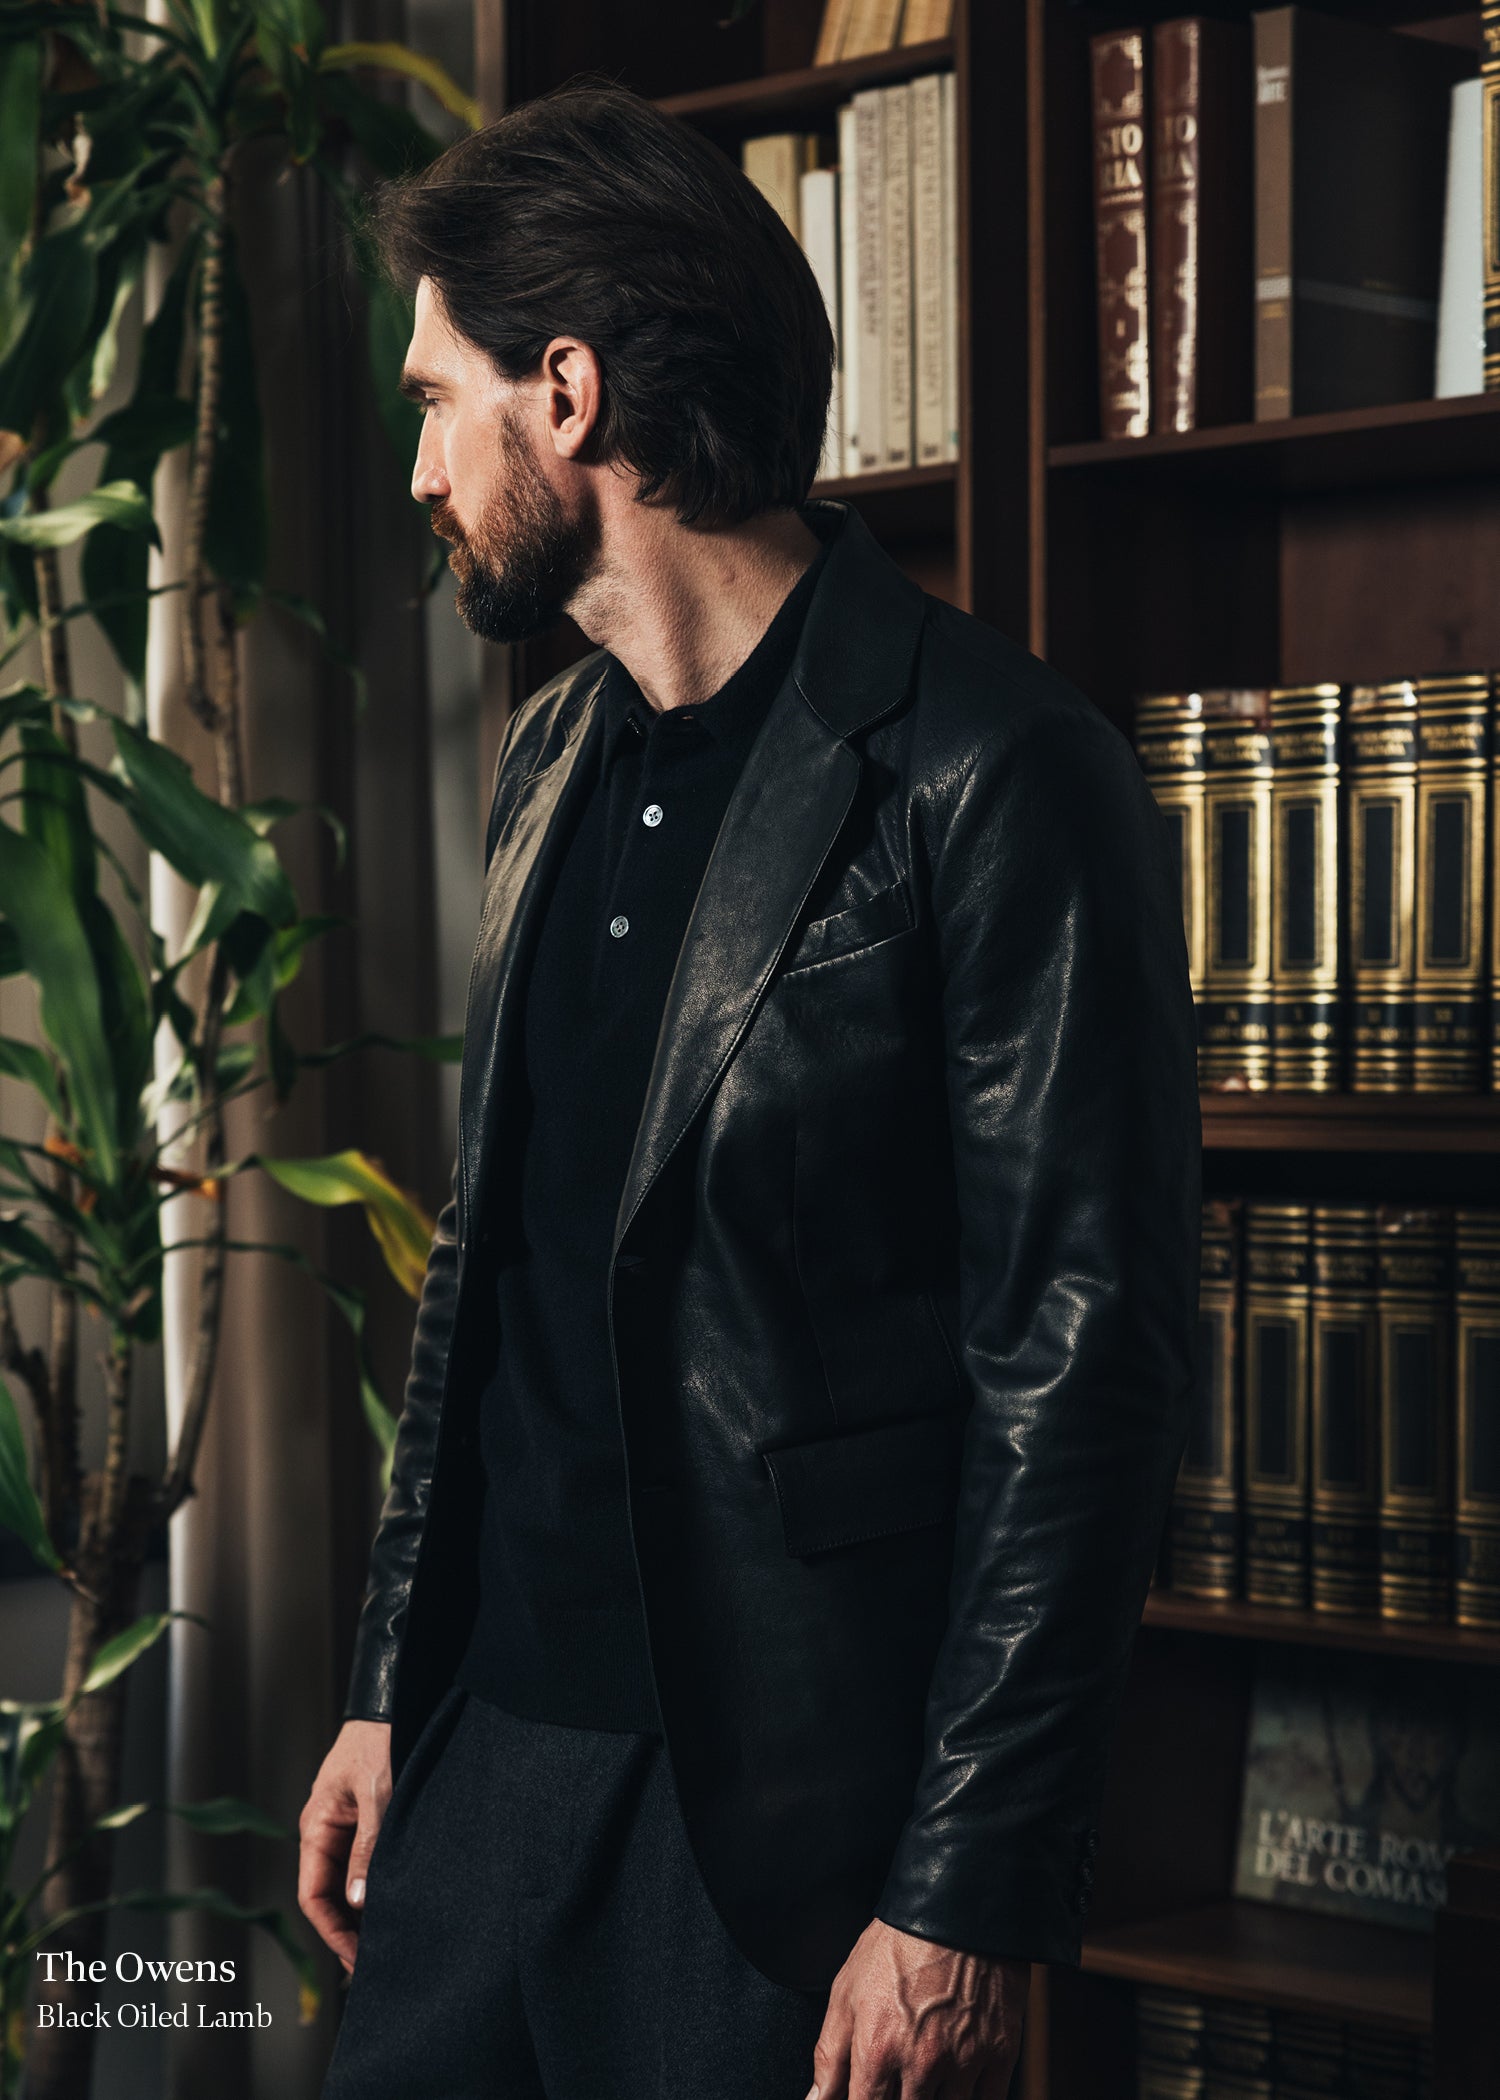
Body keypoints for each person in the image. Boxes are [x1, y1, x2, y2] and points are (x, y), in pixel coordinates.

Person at [298, 79, 1202, 2100]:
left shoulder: (991, 768)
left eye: (436, 400)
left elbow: (1087, 1361)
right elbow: (490, 1285)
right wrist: (389, 1696)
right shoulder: (547, 765)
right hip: (484, 1772)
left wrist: (965, 1887)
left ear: (569, 391)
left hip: (778, 1831)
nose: (419, 466)